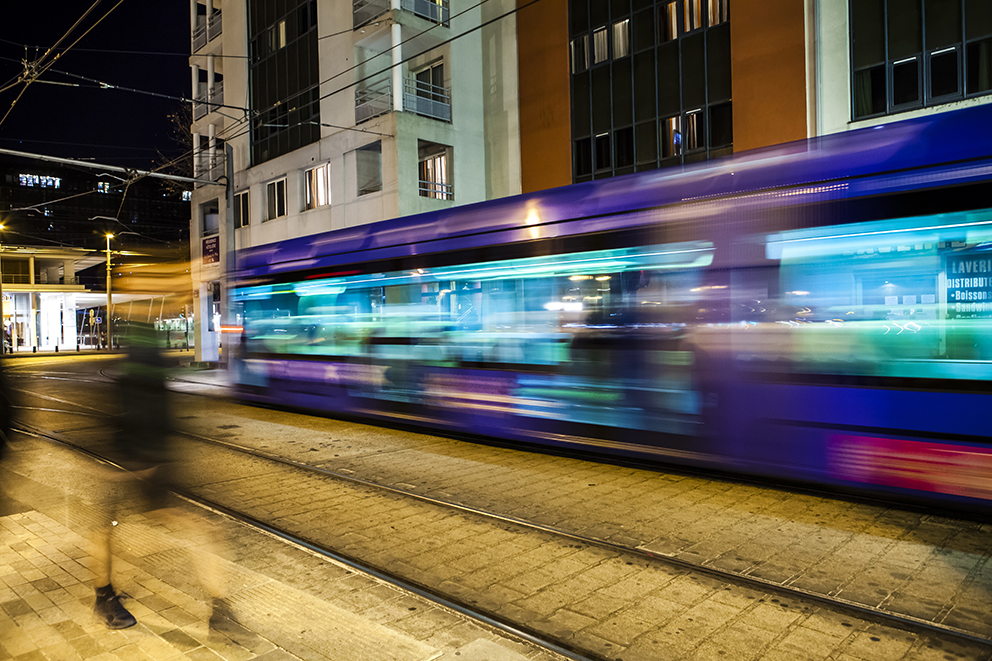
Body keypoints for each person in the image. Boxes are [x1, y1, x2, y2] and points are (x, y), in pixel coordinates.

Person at [92, 322, 231, 630]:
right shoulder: (141, 345)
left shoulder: (146, 342)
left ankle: (220, 607)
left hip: (146, 455)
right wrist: (136, 462)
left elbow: (154, 404)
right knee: (104, 527)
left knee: (116, 525)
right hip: (128, 457)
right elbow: (134, 402)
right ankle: (103, 597)